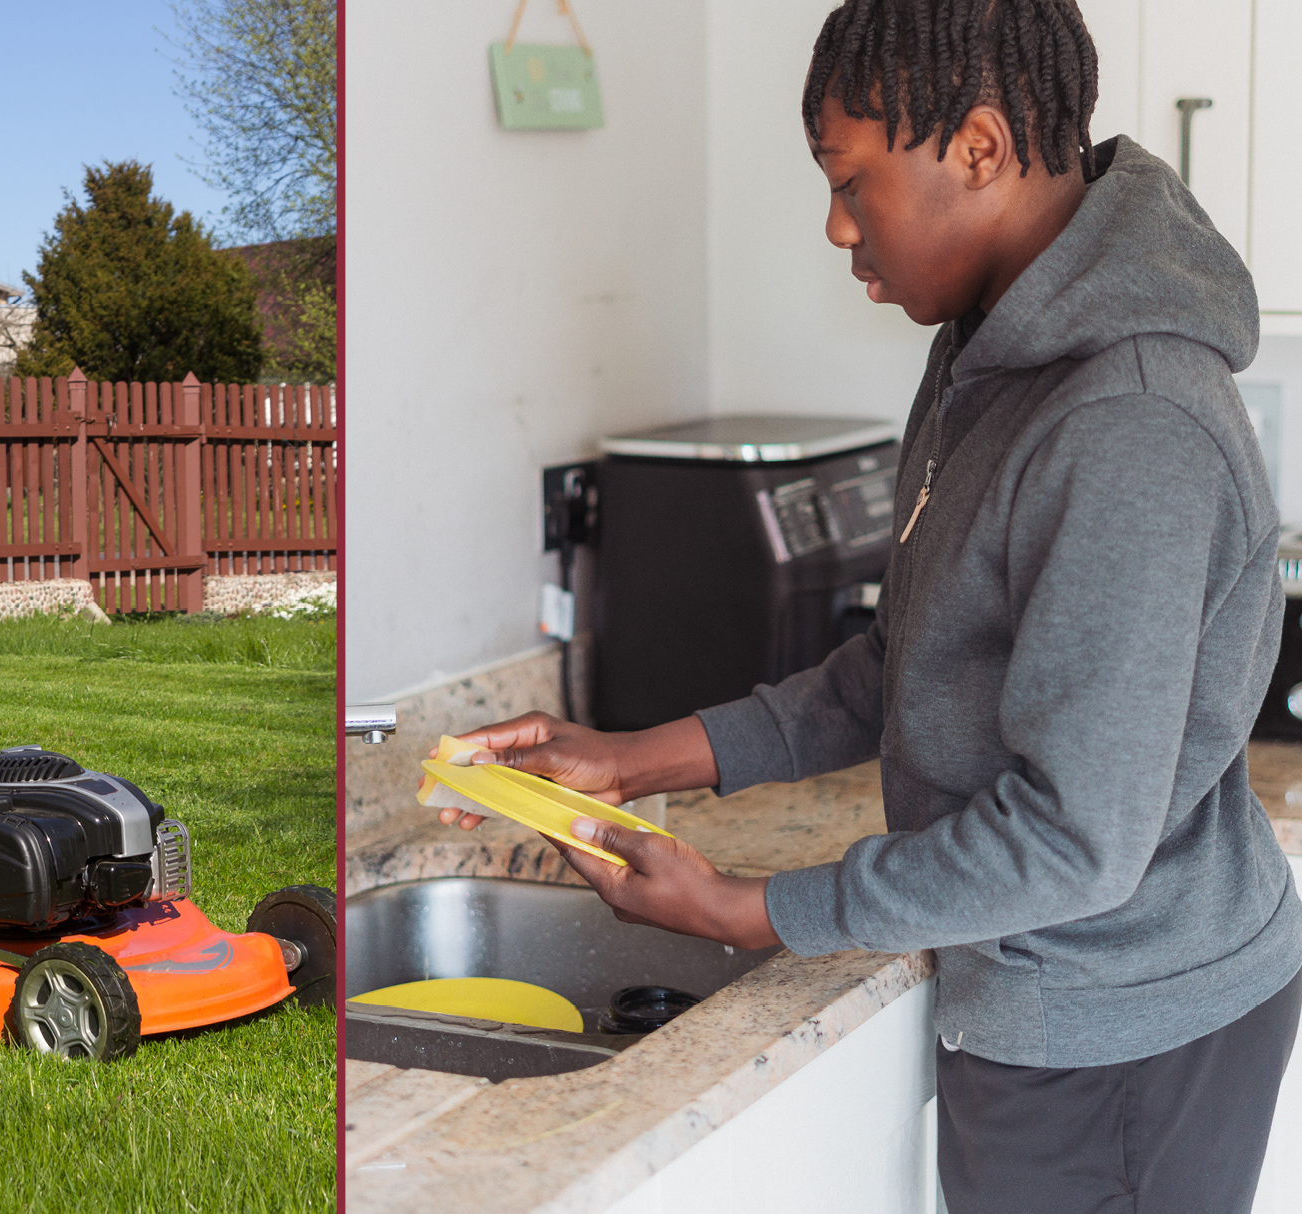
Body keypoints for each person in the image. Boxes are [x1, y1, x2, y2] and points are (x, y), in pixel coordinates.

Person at [440, 2, 1301, 1210]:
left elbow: (1073, 837)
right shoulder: (989, 347)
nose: (838, 227)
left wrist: (758, 910)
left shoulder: (1129, 424)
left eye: (853, 182)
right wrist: (645, 756)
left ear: (981, 150)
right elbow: (912, 659)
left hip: (1126, 1031)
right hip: (1056, 993)